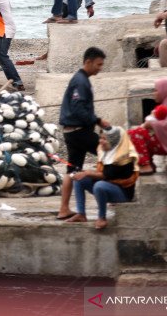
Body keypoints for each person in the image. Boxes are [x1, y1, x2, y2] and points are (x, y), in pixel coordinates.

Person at [56, 47, 111, 220]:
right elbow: (79, 109)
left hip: (70, 132)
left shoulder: (81, 79)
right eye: (98, 65)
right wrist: (98, 121)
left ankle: (64, 209)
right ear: (88, 62)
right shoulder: (81, 81)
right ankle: (114, 193)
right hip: (79, 132)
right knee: (111, 155)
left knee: (72, 170)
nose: (100, 68)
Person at [65, 127, 139, 230]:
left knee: (99, 185)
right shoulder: (105, 151)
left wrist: (87, 173)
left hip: (122, 194)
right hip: (107, 186)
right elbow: (101, 173)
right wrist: (83, 174)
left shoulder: (123, 157)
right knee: (79, 179)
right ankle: (81, 214)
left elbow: (106, 175)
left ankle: (101, 217)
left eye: (105, 139)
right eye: (101, 138)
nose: (101, 141)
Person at [127, 79, 167, 174]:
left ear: (165, 91)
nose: (154, 93)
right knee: (137, 132)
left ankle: (145, 166)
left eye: (156, 90)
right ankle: (149, 163)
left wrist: (151, 124)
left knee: (135, 134)